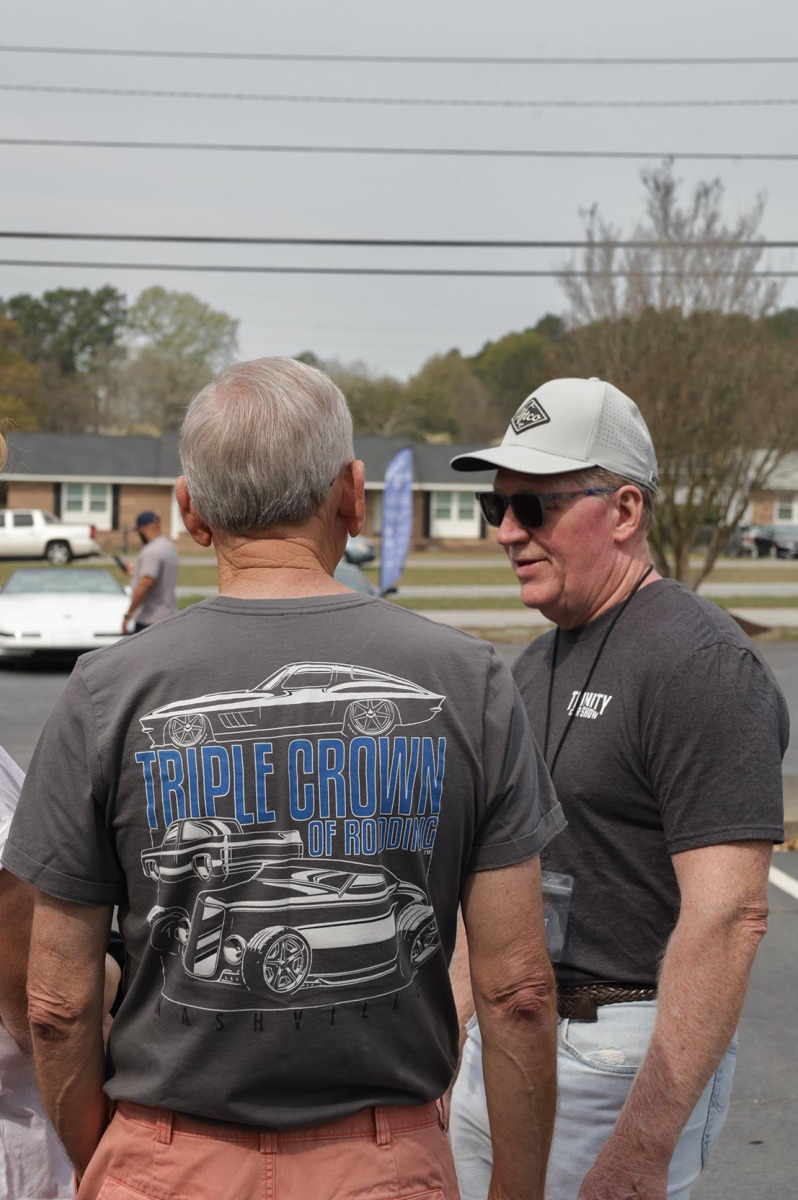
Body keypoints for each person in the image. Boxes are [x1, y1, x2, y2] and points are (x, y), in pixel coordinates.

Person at [4, 357, 566, 1200]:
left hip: (165, 1159)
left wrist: (115, 1161)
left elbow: (55, 1004)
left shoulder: (104, 690)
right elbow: (518, 991)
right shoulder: (470, 680)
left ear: (190, 509)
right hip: (383, 1163)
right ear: (352, 494)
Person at [447, 376, 788, 1200]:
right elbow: (487, 886)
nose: (507, 531)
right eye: (498, 506)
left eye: (534, 506)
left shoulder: (703, 666)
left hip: (616, 1054)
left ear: (626, 510)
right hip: (504, 1039)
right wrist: (445, 1047)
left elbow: (729, 917)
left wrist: (642, 1150)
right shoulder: (533, 664)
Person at [122, 510, 179, 632]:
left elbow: (146, 584)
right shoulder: (169, 547)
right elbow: (159, 576)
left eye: (138, 532)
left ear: (144, 528)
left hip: (150, 620)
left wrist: (128, 614)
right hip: (168, 615)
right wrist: (136, 572)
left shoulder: (151, 551)